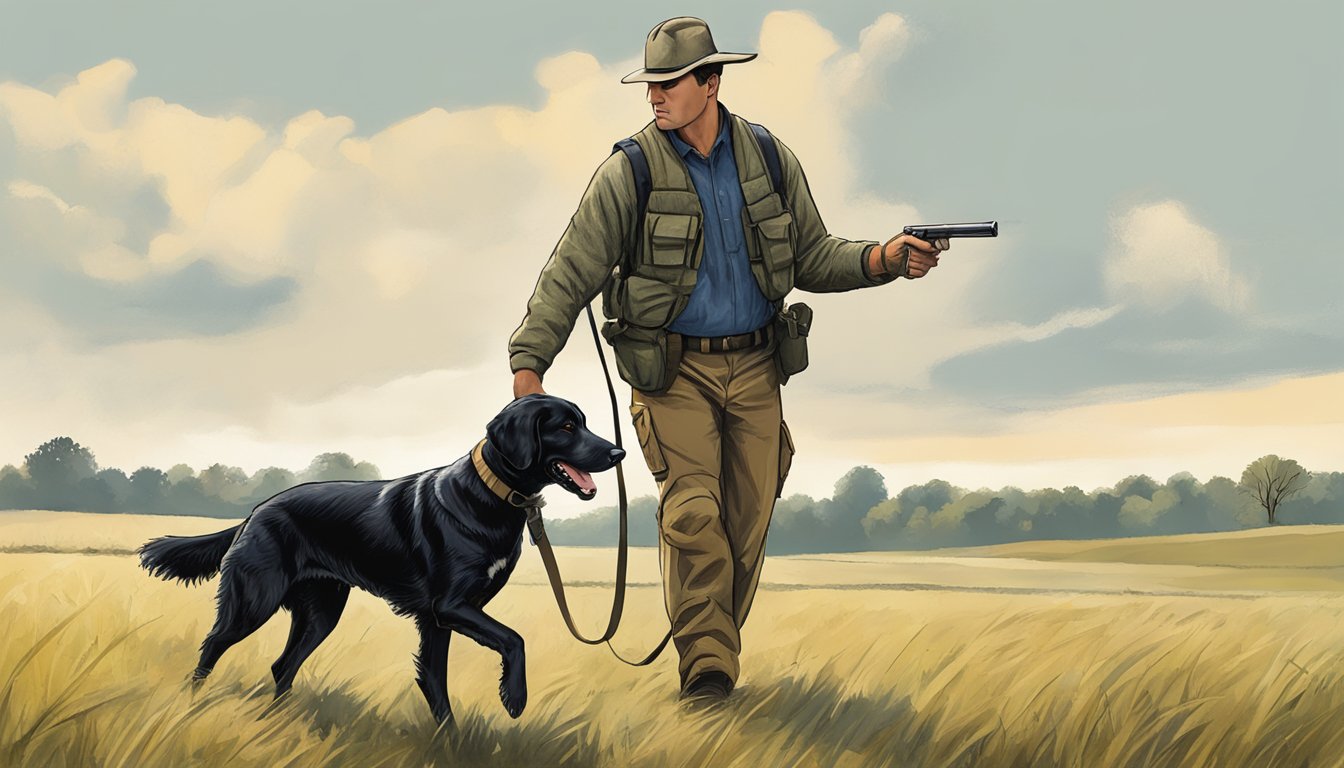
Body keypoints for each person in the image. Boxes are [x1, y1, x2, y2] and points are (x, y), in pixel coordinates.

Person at [508, 16, 945, 703]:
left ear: (711, 82)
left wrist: (885, 258)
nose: (655, 97)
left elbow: (813, 256)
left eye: (670, 82)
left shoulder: (769, 159)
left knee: (746, 523)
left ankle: (712, 643)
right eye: (650, 85)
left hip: (758, 369)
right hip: (671, 374)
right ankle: (708, 670)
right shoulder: (629, 170)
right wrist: (529, 369)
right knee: (692, 515)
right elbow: (572, 270)